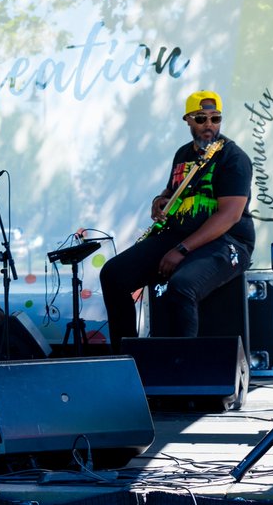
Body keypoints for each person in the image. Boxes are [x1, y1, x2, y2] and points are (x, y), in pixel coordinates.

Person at [99, 91, 254, 350]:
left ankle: (181, 371)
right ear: (188, 120)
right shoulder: (184, 153)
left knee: (181, 286)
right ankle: (127, 363)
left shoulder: (234, 158)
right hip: (178, 234)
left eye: (215, 118)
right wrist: (160, 200)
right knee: (113, 275)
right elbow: (175, 191)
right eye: (201, 118)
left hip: (228, 241)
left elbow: (230, 215)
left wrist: (181, 250)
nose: (209, 125)